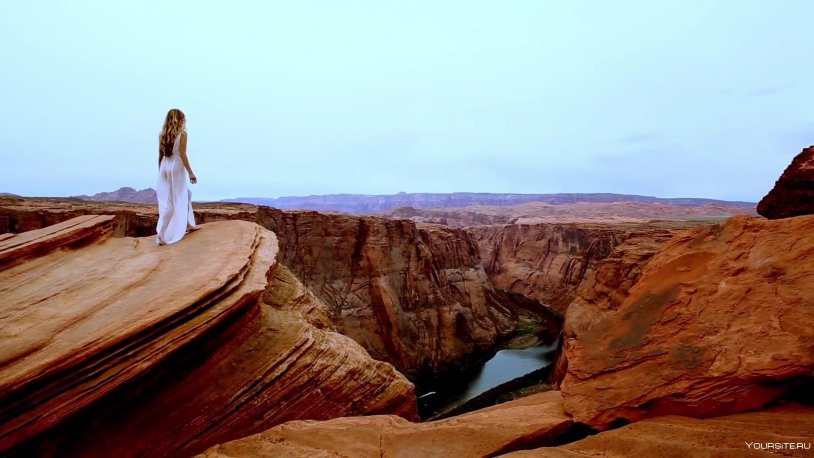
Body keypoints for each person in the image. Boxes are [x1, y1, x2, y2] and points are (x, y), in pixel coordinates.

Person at [155, 108, 198, 245]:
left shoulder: (163, 135)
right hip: (176, 166)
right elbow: (183, 154)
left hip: (164, 166)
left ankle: (189, 223)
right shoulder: (182, 134)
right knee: (175, 200)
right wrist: (191, 172)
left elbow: (160, 155)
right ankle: (161, 234)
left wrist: (161, 171)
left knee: (184, 194)